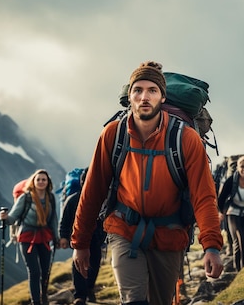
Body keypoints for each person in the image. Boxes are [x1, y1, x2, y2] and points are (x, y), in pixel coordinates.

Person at [71, 61, 224, 305]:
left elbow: (203, 196)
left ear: (163, 97)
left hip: (170, 236)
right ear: (129, 96)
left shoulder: (186, 139)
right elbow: (93, 190)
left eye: (152, 90)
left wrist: (212, 246)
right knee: (133, 301)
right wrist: (80, 242)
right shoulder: (113, 134)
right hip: (124, 230)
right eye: (138, 90)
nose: (144, 97)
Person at [0, 169, 59, 305]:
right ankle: (36, 301)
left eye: (44, 179)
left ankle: (43, 298)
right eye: (38, 179)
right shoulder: (25, 198)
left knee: (46, 271)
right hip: (27, 237)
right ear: (33, 181)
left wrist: (56, 238)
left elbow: (53, 220)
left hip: (44, 237)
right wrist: (5, 218)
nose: (41, 182)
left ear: (48, 182)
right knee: (34, 271)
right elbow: (13, 217)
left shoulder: (51, 198)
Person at [59, 168, 106, 305]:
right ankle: (80, 295)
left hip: (96, 238)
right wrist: (63, 237)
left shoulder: (101, 200)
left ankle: (89, 289)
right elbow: (65, 221)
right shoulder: (73, 200)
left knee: (95, 263)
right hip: (78, 238)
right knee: (79, 265)